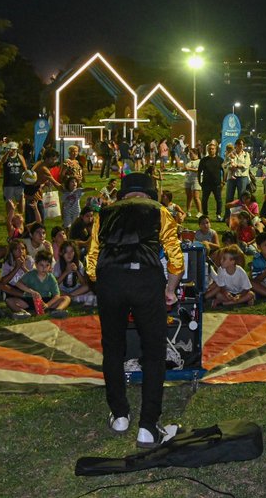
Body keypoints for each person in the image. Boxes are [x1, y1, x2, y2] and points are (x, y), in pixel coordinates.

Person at [85, 171, 183, 449]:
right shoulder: (160, 211)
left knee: (112, 349)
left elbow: (91, 261)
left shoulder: (104, 214)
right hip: (145, 279)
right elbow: (175, 258)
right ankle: (148, 427)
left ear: (123, 194)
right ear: (149, 193)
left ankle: (119, 415)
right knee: (153, 351)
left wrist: (103, 284)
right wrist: (170, 290)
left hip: (110, 280)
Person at [198, 142, 225, 222]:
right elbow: (199, 172)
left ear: (215, 150)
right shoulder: (203, 160)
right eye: (209, 149)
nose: (211, 150)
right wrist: (200, 182)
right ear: (207, 150)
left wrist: (223, 181)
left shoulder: (220, 160)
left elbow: (224, 171)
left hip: (217, 184)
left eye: (212, 149)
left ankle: (218, 215)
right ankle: (205, 214)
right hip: (206, 184)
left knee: (219, 200)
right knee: (204, 200)